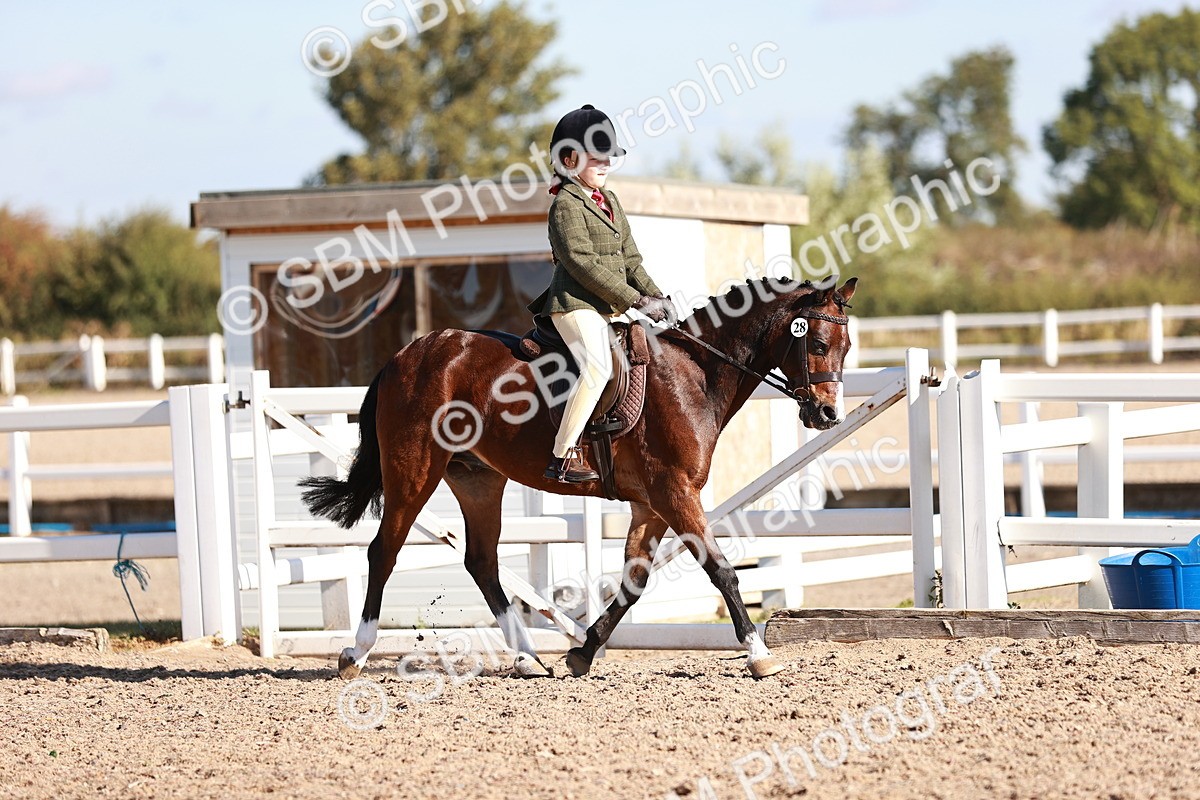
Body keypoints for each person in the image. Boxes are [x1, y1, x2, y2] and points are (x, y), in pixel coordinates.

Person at [527, 104, 676, 484]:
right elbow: (582, 263)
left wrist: (657, 295)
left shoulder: (611, 202)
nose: (605, 162)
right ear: (569, 158)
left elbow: (631, 259)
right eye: (596, 156)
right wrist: (636, 301)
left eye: (609, 155)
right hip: (574, 305)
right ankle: (562, 455)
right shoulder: (565, 204)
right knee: (597, 366)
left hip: (607, 307)